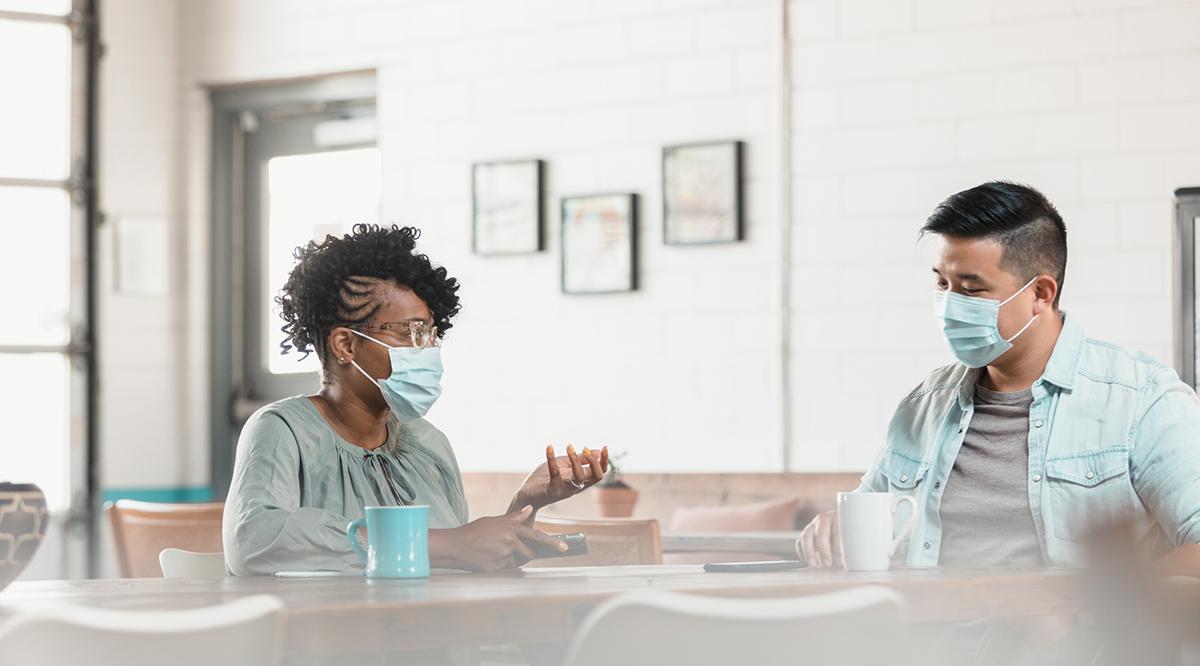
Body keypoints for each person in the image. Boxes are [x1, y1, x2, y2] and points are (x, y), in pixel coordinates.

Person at [799, 182, 1200, 572]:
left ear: (1041, 293)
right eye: (942, 283)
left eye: (971, 290)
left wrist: (1100, 605)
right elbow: (869, 519)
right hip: (920, 638)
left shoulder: (1143, 399)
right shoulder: (924, 404)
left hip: (1077, 640)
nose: (949, 305)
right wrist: (831, 527)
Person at [223, 224, 609, 575]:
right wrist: (444, 544)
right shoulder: (283, 430)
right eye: (411, 333)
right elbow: (254, 539)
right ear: (346, 344)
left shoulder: (429, 444)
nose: (427, 350)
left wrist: (524, 507)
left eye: (430, 334)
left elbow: (454, 562)